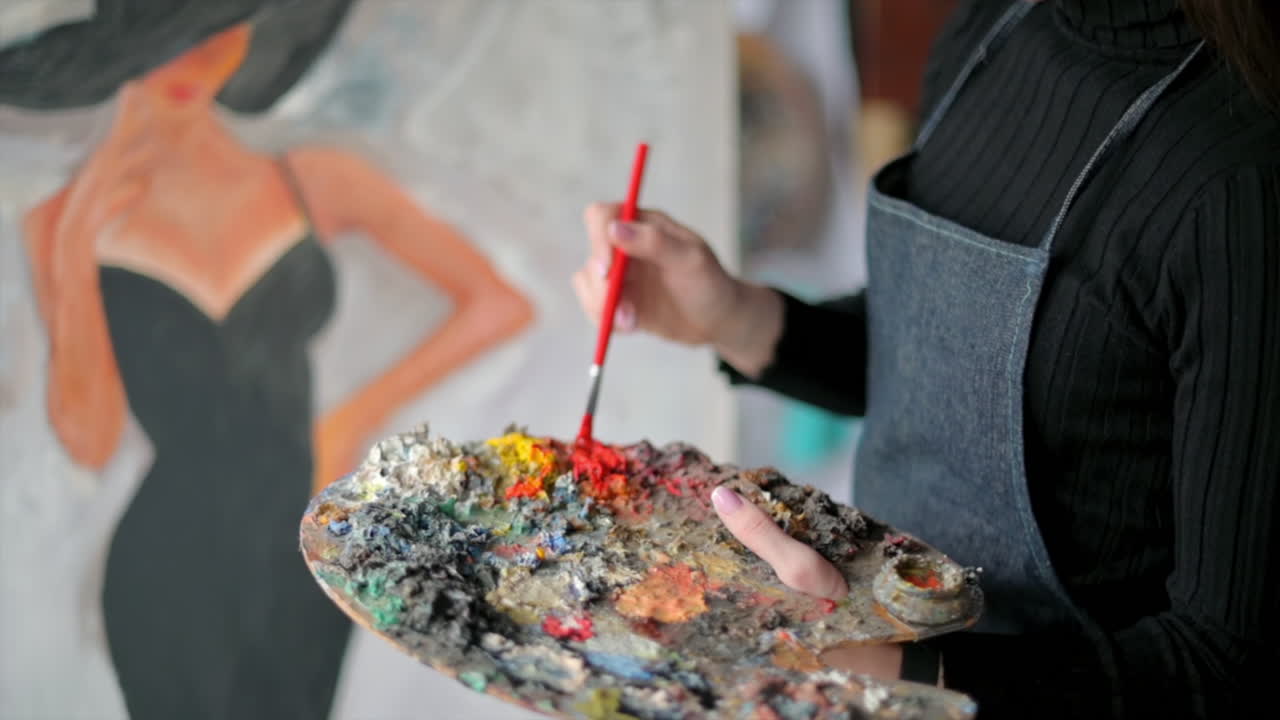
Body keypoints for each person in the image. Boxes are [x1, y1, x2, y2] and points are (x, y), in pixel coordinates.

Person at [573, 0, 1278, 716]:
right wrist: (736, 318)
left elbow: (1222, 667)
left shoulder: (1243, 183)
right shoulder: (997, 25)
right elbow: (948, 363)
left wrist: (898, 670)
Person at [10, 2, 531, 717]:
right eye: (169, 40)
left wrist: (352, 417)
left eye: (216, 30)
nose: (194, 60)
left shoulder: (313, 179)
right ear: (123, 52)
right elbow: (90, 439)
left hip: (307, 546)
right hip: (170, 556)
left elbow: (498, 303)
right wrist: (74, 245)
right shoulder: (61, 224)